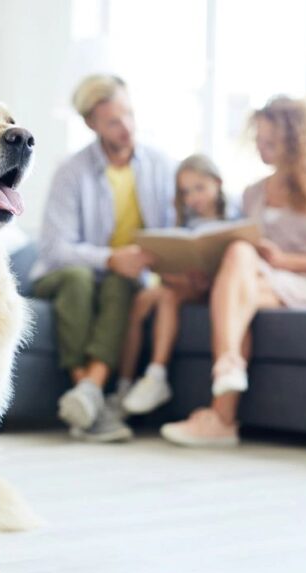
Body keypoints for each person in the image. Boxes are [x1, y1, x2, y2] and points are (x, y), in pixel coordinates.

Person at [160, 96, 306, 447]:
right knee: (238, 260)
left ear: (297, 142)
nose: (262, 149)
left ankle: (222, 404)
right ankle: (225, 395)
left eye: (271, 142)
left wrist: (283, 260)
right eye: (259, 141)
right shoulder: (254, 193)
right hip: (262, 280)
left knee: (239, 273)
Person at [30, 74, 176, 442]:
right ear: (91, 124)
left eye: (128, 114)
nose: (126, 126)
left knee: (122, 283)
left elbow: (174, 230)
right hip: (62, 275)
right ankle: (89, 396)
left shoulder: (160, 165)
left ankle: (87, 397)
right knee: (81, 279)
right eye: (113, 121)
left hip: (125, 278)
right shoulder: (71, 171)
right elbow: (55, 248)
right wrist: (111, 258)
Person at [117, 154, 240, 416]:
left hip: (222, 289)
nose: (193, 198)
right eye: (186, 192)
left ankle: (154, 375)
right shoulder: (185, 224)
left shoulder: (236, 216)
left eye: (200, 188)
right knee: (145, 298)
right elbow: (168, 274)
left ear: (217, 183)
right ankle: (126, 385)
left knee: (166, 296)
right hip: (188, 286)